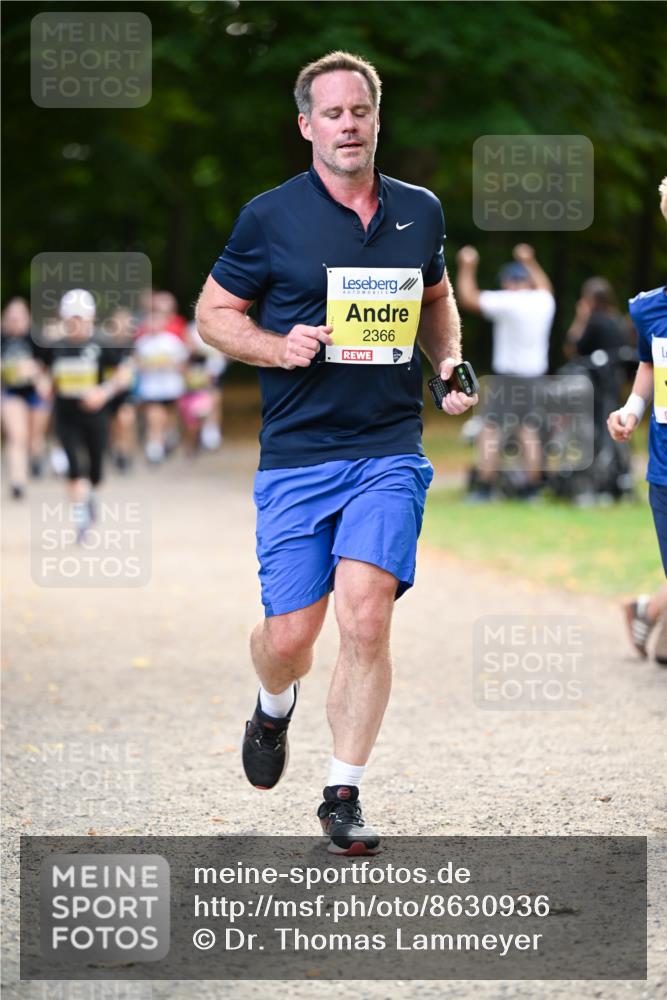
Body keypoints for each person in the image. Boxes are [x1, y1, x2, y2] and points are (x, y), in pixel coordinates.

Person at [196, 51, 476, 854]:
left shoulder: (418, 211)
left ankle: (341, 792)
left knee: (365, 615)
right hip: (297, 453)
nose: (348, 125)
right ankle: (271, 701)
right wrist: (275, 346)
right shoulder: (268, 217)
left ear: (376, 119)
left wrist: (447, 362)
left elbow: (433, 296)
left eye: (360, 111)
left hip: (387, 447)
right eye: (333, 114)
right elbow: (214, 313)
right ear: (306, 126)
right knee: (291, 636)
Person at [607, 177, 667, 665]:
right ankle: (650, 615)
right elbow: (649, 366)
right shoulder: (652, 309)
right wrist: (632, 408)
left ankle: (647, 611)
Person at [456, 244, 555, 501]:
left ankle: (484, 488)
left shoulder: (508, 302)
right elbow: (545, 286)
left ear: (509, 282)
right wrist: (530, 260)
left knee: (490, 430)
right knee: (529, 432)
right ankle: (532, 489)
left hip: (508, 378)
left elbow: (468, 297)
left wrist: (467, 265)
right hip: (534, 377)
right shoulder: (542, 301)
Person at [45, 289, 133, 539]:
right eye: (70, 319)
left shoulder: (102, 344)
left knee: (95, 469)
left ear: (90, 318)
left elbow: (122, 375)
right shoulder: (55, 347)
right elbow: (44, 374)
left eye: (80, 319)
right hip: (65, 415)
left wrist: (103, 393)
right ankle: (80, 520)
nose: (75, 324)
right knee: (73, 465)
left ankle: (90, 497)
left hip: (96, 416)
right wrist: (44, 384)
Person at [1, 297, 51, 497]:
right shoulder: (2, 339)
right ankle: (17, 481)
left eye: (18, 317)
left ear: (27, 318)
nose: (14, 321)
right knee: (17, 436)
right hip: (11, 393)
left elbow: (50, 368)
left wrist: (37, 373)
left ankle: (37, 456)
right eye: (11, 317)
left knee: (34, 438)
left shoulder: (37, 339)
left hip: (36, 395)